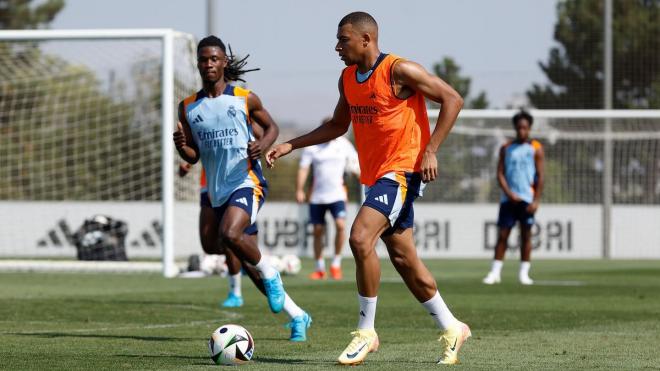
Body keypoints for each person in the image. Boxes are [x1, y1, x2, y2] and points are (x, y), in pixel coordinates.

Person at [267, 12, 470, 364]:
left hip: (402, 173)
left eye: (343, 39)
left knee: (360, 238)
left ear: (366, 39)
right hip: (375, 178)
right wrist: (290, 145)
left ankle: (366, 332)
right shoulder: (348, 78)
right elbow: (336, 125)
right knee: (404, 259)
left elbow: (452, 99)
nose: (337, 46)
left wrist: (431, 150)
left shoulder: (399, 70)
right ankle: (453, 326)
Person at [173, 35, 311, 341]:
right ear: (198, 64)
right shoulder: (187, 107)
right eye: (203, 59)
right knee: (214, 246)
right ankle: (298, 314)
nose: (208, 64)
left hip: (246, 182)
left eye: (213, 59)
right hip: (215, 189)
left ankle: (272, 272)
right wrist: (183, 148)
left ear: (223, 62)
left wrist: (260, 145)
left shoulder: (244, 97)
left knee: (232, 236)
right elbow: (194, 155)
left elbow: (272, 128)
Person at [483, 111, 544, 286]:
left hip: (527, 199)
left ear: (529, 128)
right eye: (519, 128)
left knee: (526, 235)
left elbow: (540, 176)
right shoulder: (506, 148)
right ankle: (495, 273)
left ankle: (524, 274)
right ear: (515, 128)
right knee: (503, 235)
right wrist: (509, 193)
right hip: (508, 199)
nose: (522, 131)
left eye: (525, 128)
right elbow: (500, 173)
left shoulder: (536, 148)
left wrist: (536, 200)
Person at [296, 124, 359, 280]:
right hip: (317, 196)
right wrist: (299, 189)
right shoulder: (312, 147)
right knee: (317, 231)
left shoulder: (344, 144)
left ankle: (336, 264)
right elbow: (303, 168)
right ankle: (319, 267)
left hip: (338, 195)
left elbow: (355, 164)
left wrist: (358, 174)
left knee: (340, 225)